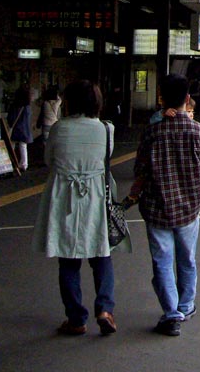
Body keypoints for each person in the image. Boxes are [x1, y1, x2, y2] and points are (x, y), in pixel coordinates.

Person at [32, 80, 131, 336]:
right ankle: (105, 309)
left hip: (64, 197)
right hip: (96, 196)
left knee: (68, 259)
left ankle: (76, 318)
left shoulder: (59, 128)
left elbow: (49, 160)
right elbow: (105, 158)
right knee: (102, 254)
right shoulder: (106, 129)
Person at [134, 73, 200, 337]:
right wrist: (194, 182)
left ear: (162, 99)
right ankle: (186, 305)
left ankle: (171, 314)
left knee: (162, 261)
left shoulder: (152, 132)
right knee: (187, 259)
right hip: (189, 208)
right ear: (187, 98)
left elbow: (140, 170)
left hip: (156, 208)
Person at [7, 83, 33, 172]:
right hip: (25, 129)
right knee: (23, 146)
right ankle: (24, 164)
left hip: (16, 128)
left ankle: (10, 162)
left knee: (12, 145)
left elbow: (10, 118)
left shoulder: (14, 105)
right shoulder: (27, 107)